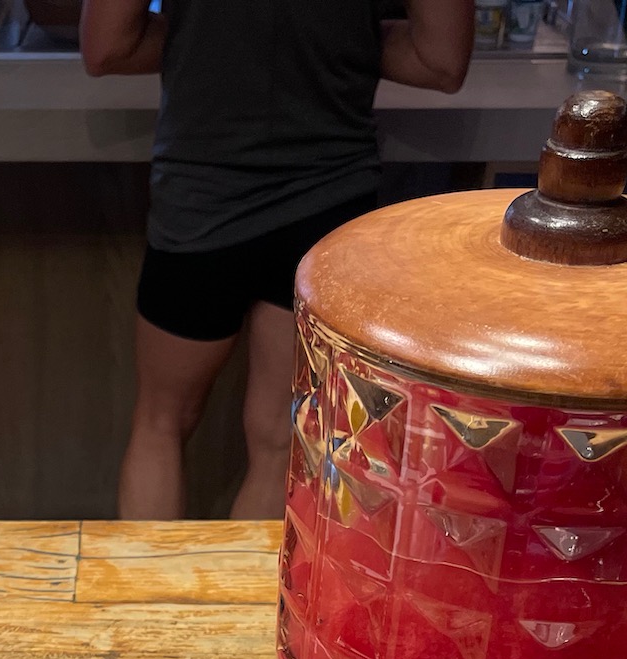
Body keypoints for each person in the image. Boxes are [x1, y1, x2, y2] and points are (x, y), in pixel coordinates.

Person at [82, 0, 472, 520]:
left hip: (201, 201)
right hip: (326, 203)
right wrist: (329, 40)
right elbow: (441, 62)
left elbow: (106, 47)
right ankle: (253, 603)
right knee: (279, 441)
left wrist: (212, 44)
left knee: (161, 423)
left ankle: (149, 601)